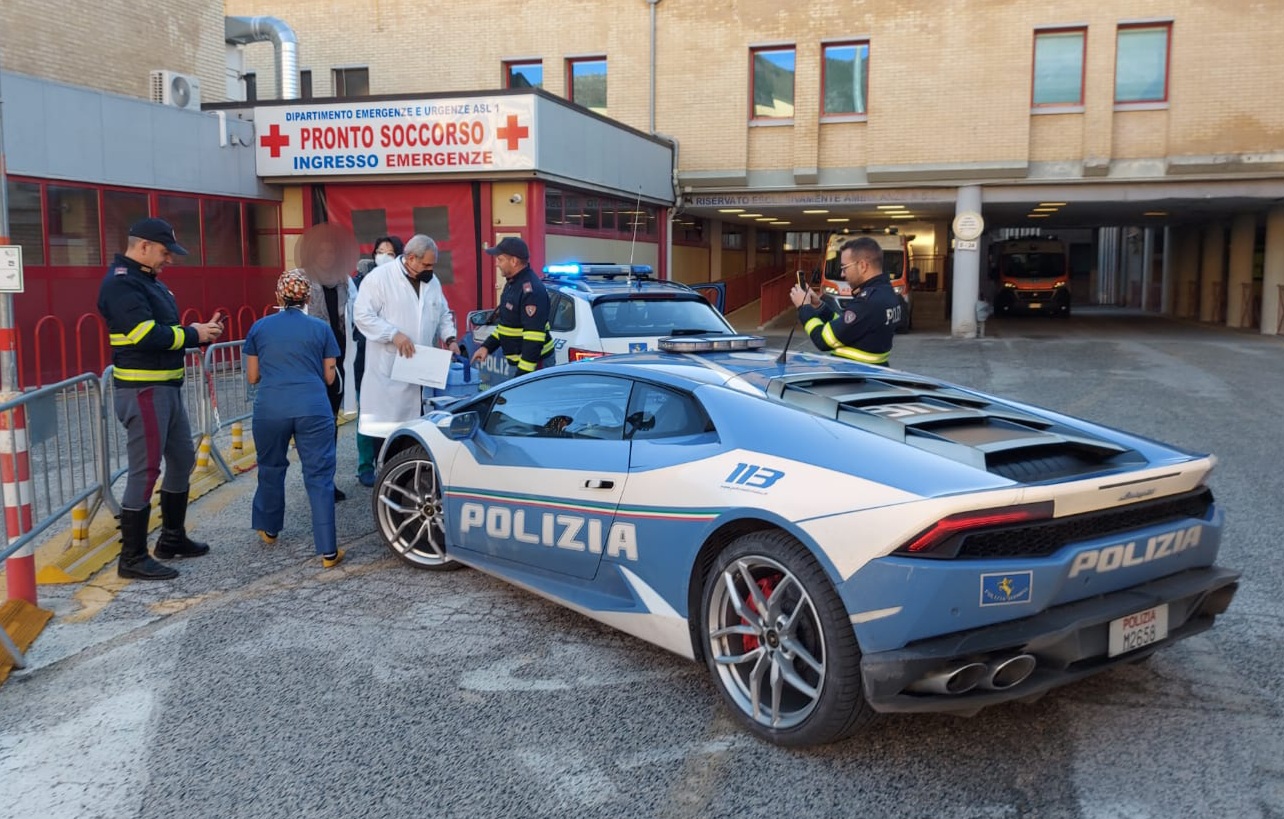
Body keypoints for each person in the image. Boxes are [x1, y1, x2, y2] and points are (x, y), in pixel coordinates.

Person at [97, 218, 224, 580]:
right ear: (143, 247)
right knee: (145, 470)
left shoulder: (148, 283)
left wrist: (199, 334)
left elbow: (164, 333)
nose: (168, 260)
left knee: (182, 459)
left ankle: (171, 538)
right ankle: (132, 558)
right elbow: (142, 335)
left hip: (165, 388)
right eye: (164, 252)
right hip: (144, 391)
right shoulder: (121, 285)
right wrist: (191, 333)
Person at [244, 271, 344, 568]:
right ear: (308, 297)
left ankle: (270, 528)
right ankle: (328, 551)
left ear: (278, 296)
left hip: (271, 407)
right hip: (313, 406)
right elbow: (329, 377)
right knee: (319, 476)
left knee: (271, 467)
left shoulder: (259, 328)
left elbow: (252, 377)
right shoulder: (321, 328)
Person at [353, 233, 460, 453]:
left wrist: (450, 338)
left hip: (421, 372)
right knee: (387, 442)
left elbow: (442, 313)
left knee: (417, 438)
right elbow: (362, 315)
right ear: (410, 258)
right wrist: (392, 334)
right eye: (427, 264)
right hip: (388, 375)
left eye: (433, 264)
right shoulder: (379, 279)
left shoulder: (431, 282)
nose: (431, 269)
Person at [300, 231, 356, 502]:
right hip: (312, 363)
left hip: (338, 361)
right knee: (313, 424)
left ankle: (326, 481)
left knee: (330, 423)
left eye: (331, 252)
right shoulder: (302, 280)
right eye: (321, 251)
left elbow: (356, 316)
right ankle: (314, 479)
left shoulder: (346, 282)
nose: (327, 256)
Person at [789, 236, 900, 366]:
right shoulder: (887, 293)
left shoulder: (867, 301)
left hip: (855, 377)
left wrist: (804, 307)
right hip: (871, 372)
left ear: (863, 266)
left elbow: (823, 340)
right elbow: (848, 324)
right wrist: (819, 306)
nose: (842, 274)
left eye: (844, 267)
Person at [353, 235, 403, 487]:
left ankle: (393, 462)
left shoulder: (406, 282)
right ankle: (365, 466)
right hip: (368, 360)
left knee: (396, 415)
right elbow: (357, 321)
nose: (383, 256)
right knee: (368, 415)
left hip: (399, 361)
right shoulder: (362, 282)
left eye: (390, 253)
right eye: (379, 251)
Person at [470, 237, 554, 375]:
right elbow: (506, 326)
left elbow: (534, 339)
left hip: (534, 365)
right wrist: (486, 347)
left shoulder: (531, 291)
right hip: (520, 363)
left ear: (514, 261)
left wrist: (521, 377)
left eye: (500, 259)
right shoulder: (512, 284)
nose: (496, 264)